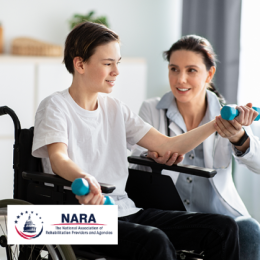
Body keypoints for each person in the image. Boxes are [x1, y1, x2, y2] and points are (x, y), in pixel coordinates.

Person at [32, 22, 246, 260]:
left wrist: (217, 124)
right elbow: (58, 157)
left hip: (124, 209)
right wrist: (84, 177)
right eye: (107, 64)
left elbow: (167, 145)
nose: (116, 71)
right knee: (154, 241)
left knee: (223, 229)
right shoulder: (55, 106)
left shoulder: (115, 109)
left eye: (118, 63)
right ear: (80, 64)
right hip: (76, 219)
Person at [131, 35, 260, 260]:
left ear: (209, 74)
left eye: (191, 70)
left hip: (219, 216)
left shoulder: (226, 115)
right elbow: (134, 163)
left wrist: (239, 137)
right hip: (170, 216)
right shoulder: (151, 109)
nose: (180, 80)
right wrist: (151, 156)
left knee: (250, 230)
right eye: (174, 69)